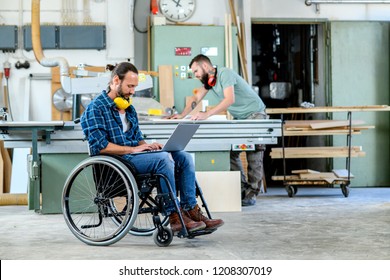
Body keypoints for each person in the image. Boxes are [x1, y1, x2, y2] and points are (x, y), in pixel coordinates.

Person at [80, 62, 224, 234]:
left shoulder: (128, 108)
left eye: (135, 87)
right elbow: (100, 146)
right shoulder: (95, 108)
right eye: (130, 86)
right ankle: (174, 216)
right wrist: (133, 150)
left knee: (182, 156)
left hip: (135, 157)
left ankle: (190, 209)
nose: (133, 91)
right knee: (163, 160)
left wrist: (147, 146)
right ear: (116, 80)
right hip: (117, 162)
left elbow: (137, 137)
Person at [169, 54, 267, 206]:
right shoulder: (209, 82)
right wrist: (181, 115)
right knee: (230, 152)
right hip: (241, 118)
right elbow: (195, 99)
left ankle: (252, 194)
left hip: (255, 115)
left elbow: (230, 99)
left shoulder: (225, 74)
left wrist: (206, 114)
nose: (195, 75)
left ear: (206, 67)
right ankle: (242, 189)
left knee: (253, 153)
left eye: (196, 71)